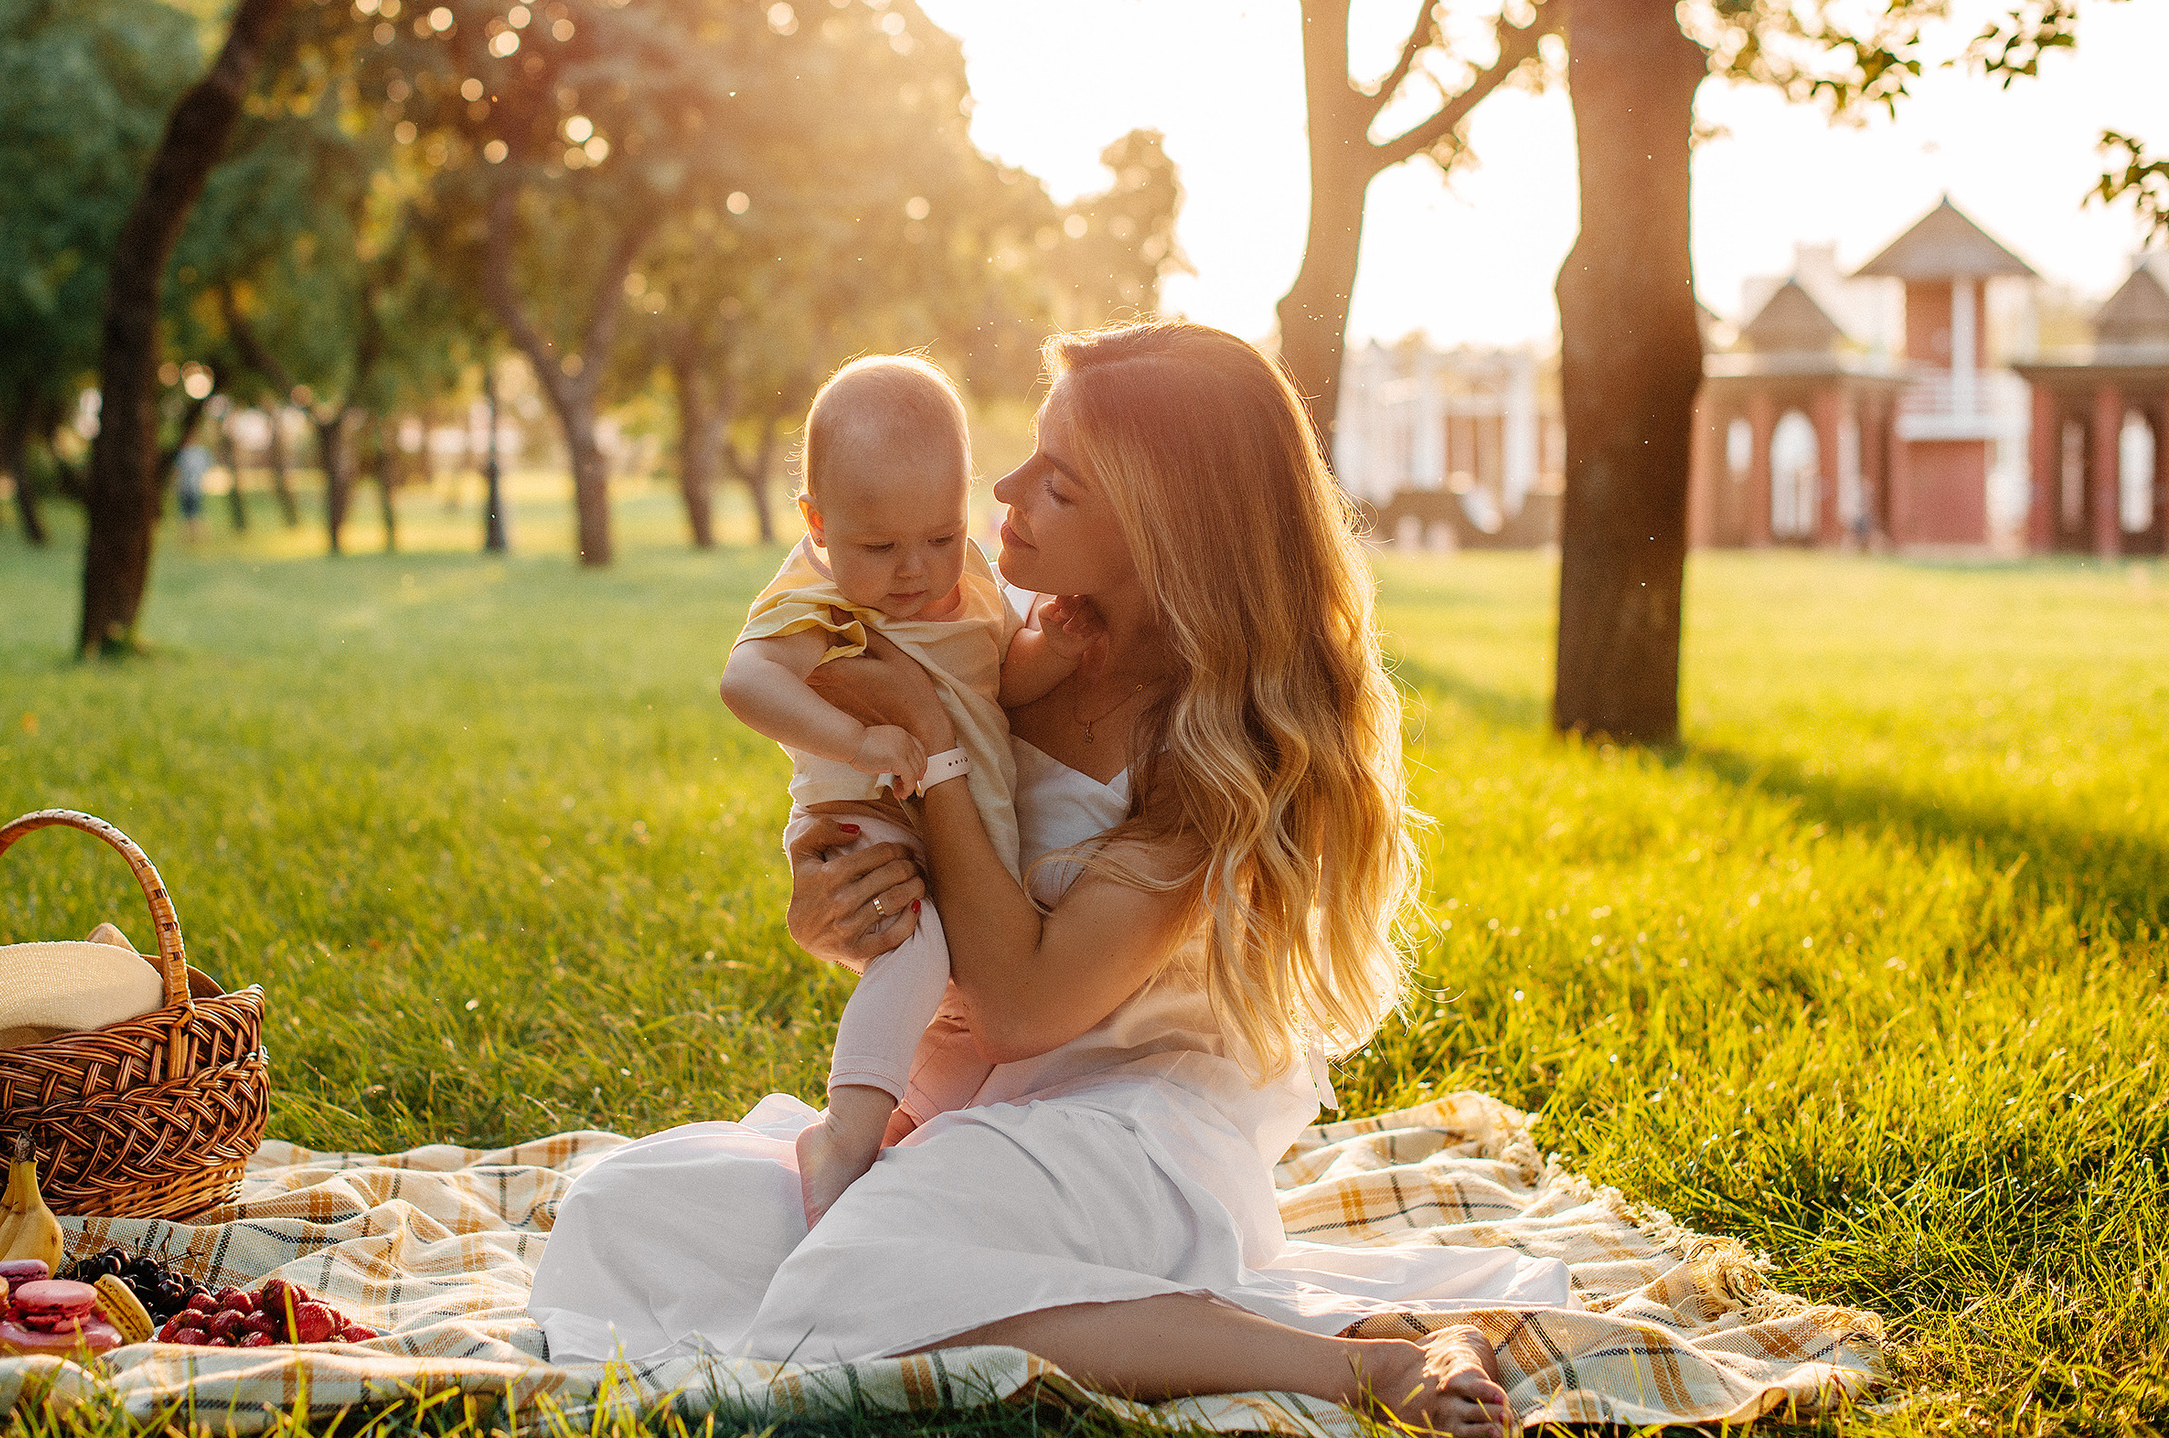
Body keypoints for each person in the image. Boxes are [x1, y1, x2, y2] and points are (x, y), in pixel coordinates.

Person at [532, 323, 1569, 1437]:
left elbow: (1021, 1005)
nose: (1006, 491)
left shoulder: (1210, 749)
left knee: (851, 1280)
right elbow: (925, 907)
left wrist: (929, 736)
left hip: (1131, 1134)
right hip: (971, 1110)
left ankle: (1355, 1361)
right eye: (1029, 455)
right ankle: (1070, 1298)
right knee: (620, 1215)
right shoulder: (1002, 634)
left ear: (1160, 528)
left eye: (1059, 483)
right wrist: (836, 909)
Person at [720, 355, 1092, 1224]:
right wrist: (856, 738)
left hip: (961, 821)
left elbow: (999, 678)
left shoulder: (971, 574)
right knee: (917, 951)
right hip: (868, 813)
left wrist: (1056, 652)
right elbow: (747, 680)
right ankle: (844, 1132)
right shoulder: (818, 592)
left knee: (957, 988)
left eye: (939, 534)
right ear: (818, 522)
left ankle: (911, 1119)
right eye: (879, 547)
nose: (916, 569)